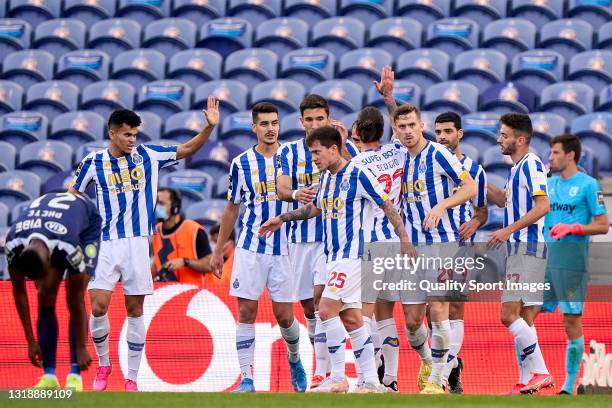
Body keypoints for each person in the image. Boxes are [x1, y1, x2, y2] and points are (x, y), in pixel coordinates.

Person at [69, 98, 219, 392]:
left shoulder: (147, 155)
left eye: (135, 135)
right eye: (127, 134)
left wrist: (209, 128)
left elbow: (187, 149)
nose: (132, 140)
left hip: (138, 243)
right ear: (112, 133)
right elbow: (73, 196)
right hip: (105, 242)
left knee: (134, 308)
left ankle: (132, 378)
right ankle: (103, 364)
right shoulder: (93, 162)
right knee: (98, 305)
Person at [260, 126, 412, 393]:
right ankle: (370, 381)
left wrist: (405, 241)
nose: (314, 158)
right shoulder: (327, 178)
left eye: (317, 152)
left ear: (334, 149)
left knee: (326, 309)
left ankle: (338, 376)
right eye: (310, 153)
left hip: (353, 256)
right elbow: (315, 208)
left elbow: (388, 205)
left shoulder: (358, 174)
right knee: (352, 319)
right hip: (334, 257)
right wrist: (281, 219)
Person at [210, 102, 307, 393]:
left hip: (286, 248)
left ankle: (294, 358)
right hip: (250, 247)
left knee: (285, 316)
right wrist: (218, 250)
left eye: (274, 123)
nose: (270, 129)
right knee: (246, 312)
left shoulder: (292, 158)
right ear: (254, 127)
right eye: (264, 124)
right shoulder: (241, 163)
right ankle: (247, 378)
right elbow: (231, 209)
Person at [395, 103, 477, 394]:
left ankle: (436, 380)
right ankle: (435, 363)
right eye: (402, 127)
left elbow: (469, 188)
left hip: (442, 244)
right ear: (396, 130)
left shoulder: (438, 154)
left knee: (440, 310)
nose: (407, 131)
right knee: (413, 322)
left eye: (412, 126)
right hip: (413, 250)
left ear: (421, 126)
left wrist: (443, 205)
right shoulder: (401, 158)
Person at [486, 113, 554, 395]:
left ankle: (541, 371)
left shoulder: (532, 164)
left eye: (504, 135)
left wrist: (507, 230)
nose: (499, 139)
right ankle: (527, 380)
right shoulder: (516, 170)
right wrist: (474, 179)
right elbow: (504, 200)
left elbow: (543, 206)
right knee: (525, 317)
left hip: (526, 247)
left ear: (520, 139)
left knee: (507, 314)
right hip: (523, 249)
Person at [6, 192, 101, 391]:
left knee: (72, 295)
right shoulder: (13, 242)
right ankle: (49, 376)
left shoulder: (68, 246)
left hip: (86, 228)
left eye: (40, 276)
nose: (39, 282)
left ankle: (75, 375)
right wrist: (31, 341)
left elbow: (77, 301)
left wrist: (82, 348)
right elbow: (19, 292)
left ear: (50, 261)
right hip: (47, 225)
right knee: (45, 294)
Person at [538, 134, 608, 394]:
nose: (551, 157)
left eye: (555, 153)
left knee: (571, 321)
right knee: (524, 313)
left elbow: (603, 225)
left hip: (572, 265)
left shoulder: (589, 185)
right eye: (550, 153)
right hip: (544, 262)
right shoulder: (548, 183)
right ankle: (532, 377)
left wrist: (575, 227)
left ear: (571, 155)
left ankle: (568, 386)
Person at [350, 106, 406, 392]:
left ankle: (368, 377)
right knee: (386, 314)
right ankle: (391, 379)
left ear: (358, 132)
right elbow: (401, 125)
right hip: (395, 242)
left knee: (362, 314)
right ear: (385, 131)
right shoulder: (397, 152)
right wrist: (389, 98)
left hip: (370, 242)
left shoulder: (357, 165)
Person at [434, 111, 488, 394]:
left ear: (460, 134)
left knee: (454, 309)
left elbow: (482, 211)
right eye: (438, 132)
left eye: (448, 132)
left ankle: (445, 371)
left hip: (460, 247)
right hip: (429, 246)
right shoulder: (427, 164)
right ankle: (448, 367)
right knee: (433, 310)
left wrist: (476, 222)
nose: (442, 137)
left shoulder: (475, 170)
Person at [151, 187, 213, 284]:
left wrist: (185, 262)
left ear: (175, 207)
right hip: (165, 293)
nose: (157, 207)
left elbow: (210, 265)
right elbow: (156, 263)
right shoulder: (155, 230)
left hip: (195, 294)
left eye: (161, 203)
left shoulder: (194, 231)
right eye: (156, 204)